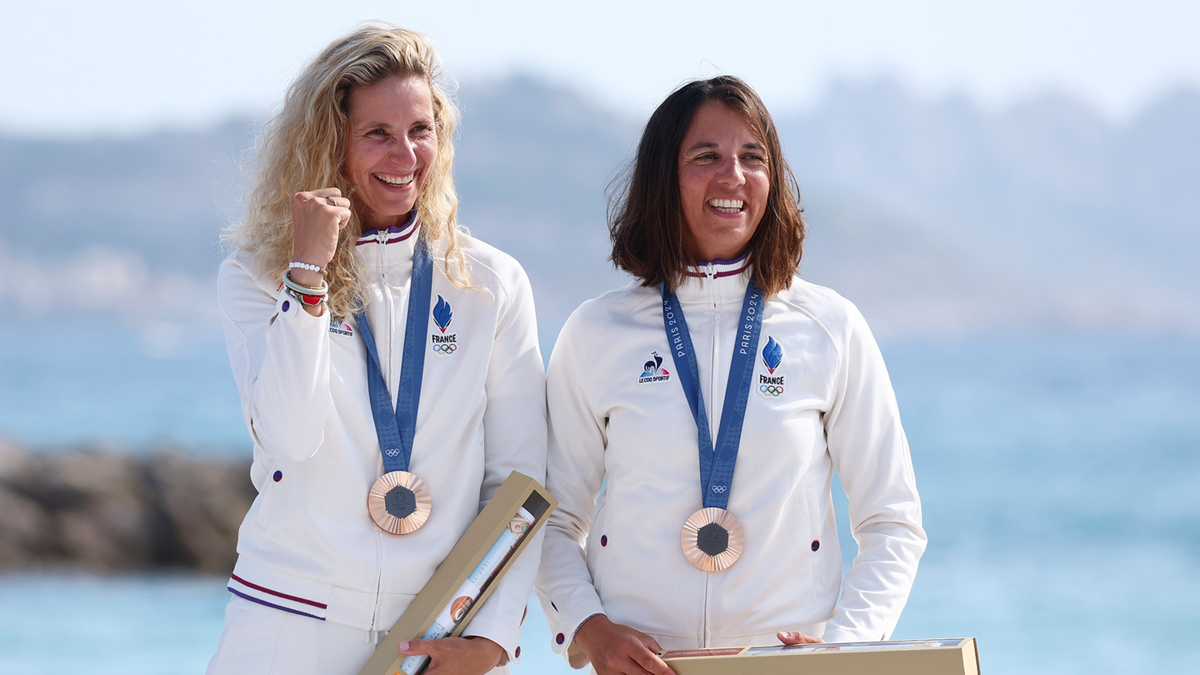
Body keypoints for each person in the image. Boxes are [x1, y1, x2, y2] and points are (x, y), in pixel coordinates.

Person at [535, 76, 926, 675]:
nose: (733, 177)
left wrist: (843, 649)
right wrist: (590, 629)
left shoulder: (830, 326)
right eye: (706, 157)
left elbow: (892, 521)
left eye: (752, 157)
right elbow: (553, 520)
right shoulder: (596, 332)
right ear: (664, 176)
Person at [208, 24, 545, 675]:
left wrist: (494, 635)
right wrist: (307, 274)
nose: (404, 154)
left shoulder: (490, 283)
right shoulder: (257, 276)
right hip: (287, 623)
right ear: (329, 144)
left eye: (420, 130)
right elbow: (290, 433)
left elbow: (519, 480)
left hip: (434, 636)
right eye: (377, 134)